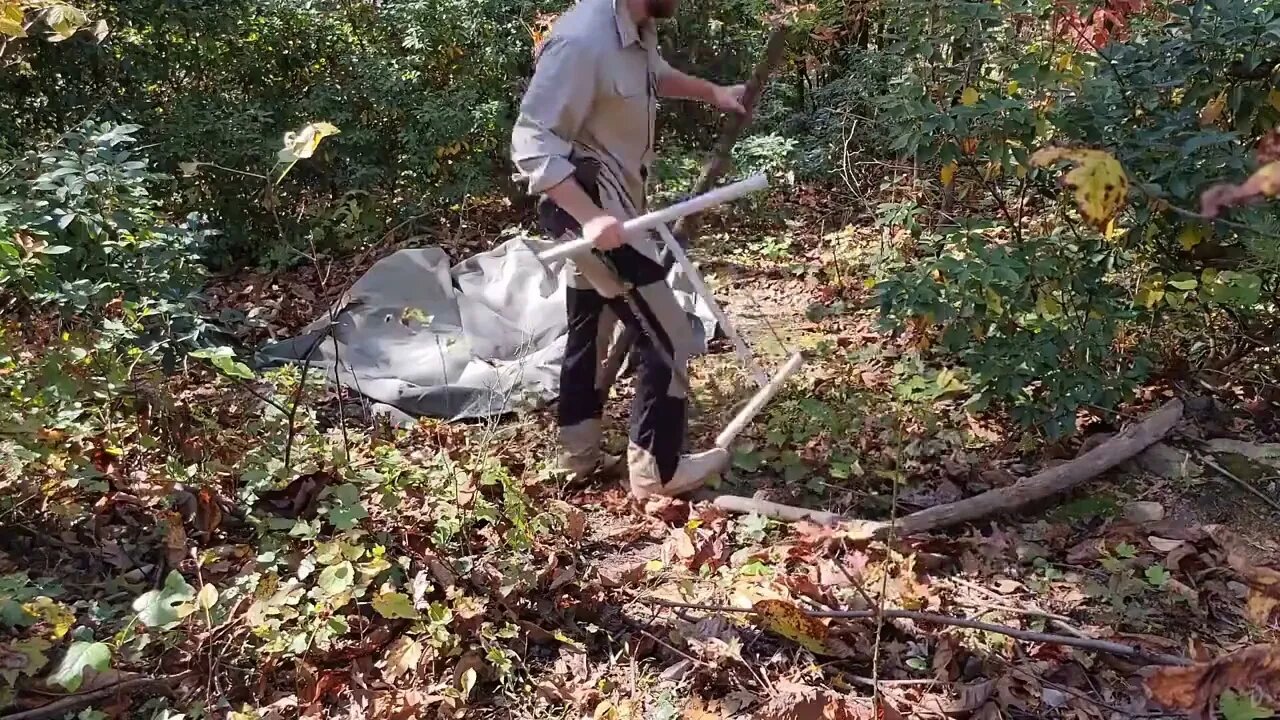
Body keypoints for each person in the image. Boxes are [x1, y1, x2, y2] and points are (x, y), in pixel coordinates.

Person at [510, 0, 747, 500]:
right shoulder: (581, 39)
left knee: (589, 328)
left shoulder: (635, 30)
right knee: (672, 334)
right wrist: (590, 216)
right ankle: (657, 474)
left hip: (614, 212)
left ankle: (577, 455)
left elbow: (654, 76)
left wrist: (713, 93)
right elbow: (531, 140)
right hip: (591, 216)